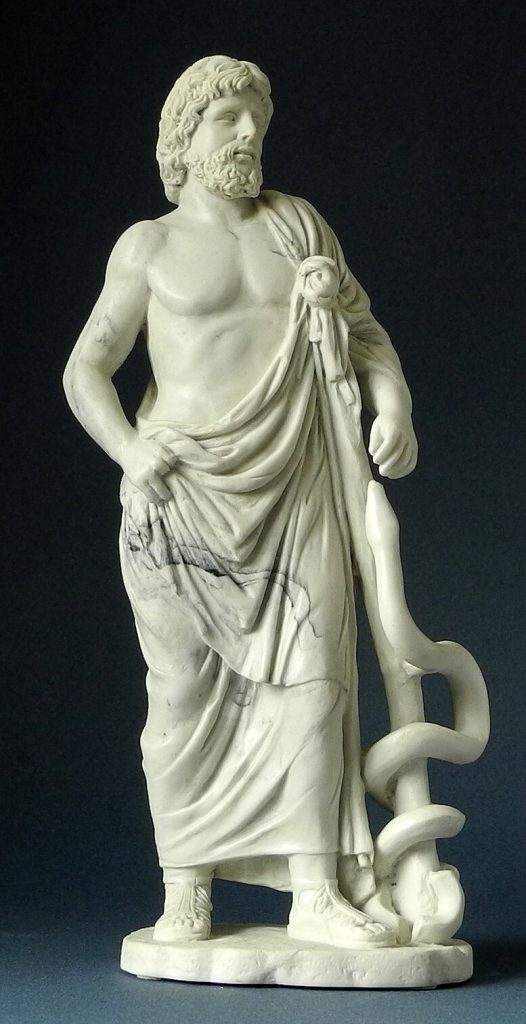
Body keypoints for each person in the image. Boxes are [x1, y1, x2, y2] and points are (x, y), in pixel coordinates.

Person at [63, 55, 418, 950]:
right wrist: (131, 449)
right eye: (228, 118)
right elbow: (85, 370)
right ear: (183, 137)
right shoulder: (147, 247)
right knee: (181, 694)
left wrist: (393, 404)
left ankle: (316, 894)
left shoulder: (298, 226)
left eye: (256, 118)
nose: (249, 133)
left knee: (315, 684)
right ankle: (186, 886)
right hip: (179, 494)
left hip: (295, 486)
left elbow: (364, 333)